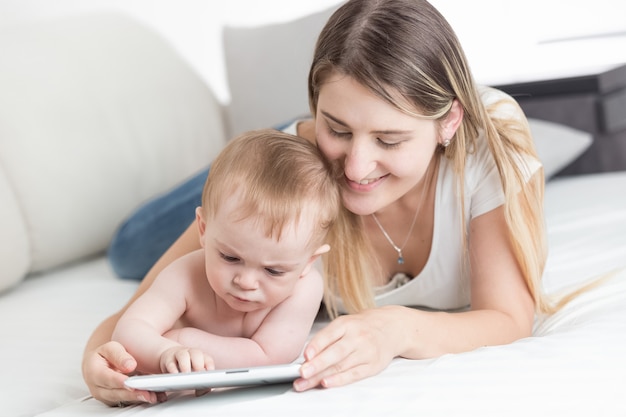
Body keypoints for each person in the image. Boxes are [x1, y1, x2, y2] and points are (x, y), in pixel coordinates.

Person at [82, 0, 553, 406]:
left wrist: (397, 330)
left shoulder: (492, 149)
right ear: (315, 108)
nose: (355, 168)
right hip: (288, 167)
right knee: (128, 249)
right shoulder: (291, 191)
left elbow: (509, 318)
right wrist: (98, 366)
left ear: (449, 122)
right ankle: (292, 140)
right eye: (339, 128)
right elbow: (130, 320)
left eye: (389, 139)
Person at [110, 129, 343, 379]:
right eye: (230, 258)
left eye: (273, 270)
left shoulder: (304, 289)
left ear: (309, 263)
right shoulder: (185, 275)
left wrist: (182, 339)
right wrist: (164, 352)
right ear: (203, 228)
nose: (246, 282)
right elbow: (129, 330)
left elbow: (268, 357)